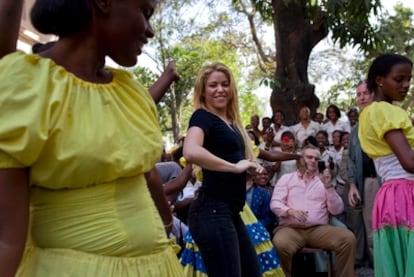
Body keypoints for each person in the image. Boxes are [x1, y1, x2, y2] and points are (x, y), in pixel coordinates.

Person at [0, 0, 184, 276]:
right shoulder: (25, 83)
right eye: (145, 13)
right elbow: (6, 238)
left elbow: (148, 176)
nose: (150, 31)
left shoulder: (130, 92)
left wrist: (168, 225)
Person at [183, 62, 264, 276]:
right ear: (203, 91)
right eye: (213, 85)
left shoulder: (231, 123)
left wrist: (251, 168)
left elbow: (234, 157)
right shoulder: (202, 117)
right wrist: (234, 168)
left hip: (230, 212)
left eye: (225, 84)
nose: (220, 89)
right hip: (211, 211)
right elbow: (190, 151)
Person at [359, 54, 414, 277]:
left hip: (392, 195)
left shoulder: (370, 112)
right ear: (380, 80)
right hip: (405, 194)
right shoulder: (385, 112)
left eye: (409, 80)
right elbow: (409, 162)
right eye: (399, 79)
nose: (406, 85)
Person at [270, 145, 356, 277]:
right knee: (280, 244)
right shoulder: (287, 179)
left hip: (318, 230)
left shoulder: (323, 182)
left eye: (316, 158)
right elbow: (275, 203)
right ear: (300, 159)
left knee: (347, 238)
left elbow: (337, 209)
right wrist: (290, 211)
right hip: (290, 228)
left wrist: (328, 186)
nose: (313, 161)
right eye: (309, 157)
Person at [343, 81, 379, 270]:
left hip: (389, 182)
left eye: (366, 93)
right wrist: (353, 186)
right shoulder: (356, 129)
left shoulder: (384, 118)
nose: (363, 97)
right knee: (371, 229)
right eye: (359, 94)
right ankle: (378, 269)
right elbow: (351, 159)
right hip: (367, 184)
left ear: (374, 94)